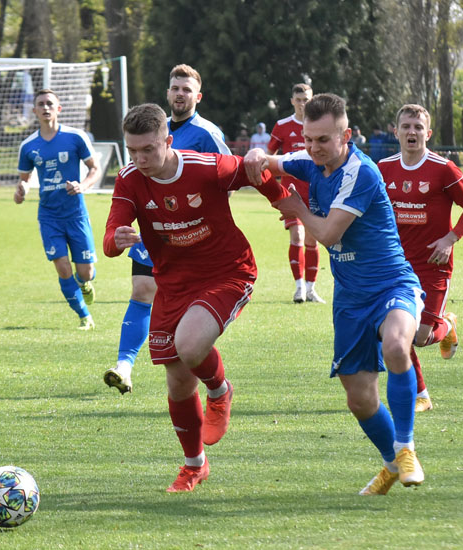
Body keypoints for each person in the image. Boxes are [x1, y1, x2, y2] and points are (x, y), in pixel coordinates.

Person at [245, 93, 426, 496]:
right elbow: (272, 161)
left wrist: (295, 208)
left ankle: (406, 448)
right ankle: (390, 462)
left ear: (346, 135)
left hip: (391, 284)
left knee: (397, 347)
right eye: (308, 139)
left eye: (322, 140)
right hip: (349, 299)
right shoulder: (310, 161)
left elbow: (326, 234)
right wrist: (258, 159)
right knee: (359, 400)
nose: (312, 148)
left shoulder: (361, 172)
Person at [104, 103, 286, 492]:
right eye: (132, 151)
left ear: (167, 141)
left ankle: (220, 391)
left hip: (227, 273)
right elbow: (111, 233)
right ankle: (194, 466)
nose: (139, 159)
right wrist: (116, 239)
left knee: (189, 345)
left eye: (148, 150)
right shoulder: (130, 179)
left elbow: (257, 172)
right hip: (173, 283)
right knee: (178, 383)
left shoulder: (206, 166)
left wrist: (288, 206)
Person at [103, 64, 232, 395]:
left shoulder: (207, 134)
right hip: (154, 230)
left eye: (187, 89)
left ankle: (210, 378)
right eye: (175, 87)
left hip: (193, 237)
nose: (180, 93)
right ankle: (125, 365)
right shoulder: (152, 130)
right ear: (167, 93)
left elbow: (228, 181)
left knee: (183, 316)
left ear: (197, 96)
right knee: (143, 288)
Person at [378, 104, 463, 413]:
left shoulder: (443, 169)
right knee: (399, 330)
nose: (412, 132)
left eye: (418, 127)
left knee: (422, 336)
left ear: (428, 133)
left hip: (433, 264)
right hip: (396, 265)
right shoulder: (383, 168)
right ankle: (421, 394)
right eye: (406, 126)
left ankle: (446, 327)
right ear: (395, 131)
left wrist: (450, 239)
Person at [15, 89, 100, 330]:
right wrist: (22, 189)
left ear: (58, 109)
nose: (45, 108)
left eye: (50, 103)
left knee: (85, 271)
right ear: (34, 111)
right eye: (40, 104)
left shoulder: (75, 137)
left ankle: (84, 284)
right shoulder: (29, 146)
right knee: (63, 267)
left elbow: (95, 168)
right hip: (49, 215)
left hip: (75, 213)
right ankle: (84, 316)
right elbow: (23, 179)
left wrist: (82, 186)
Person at [269, 83, 325, 303]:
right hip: (291, 193)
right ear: (292, 101)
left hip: (316, 193)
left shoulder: (321, 125)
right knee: (298, 237)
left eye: (306, 99)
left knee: (313, 241)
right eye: (299, 99)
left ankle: (311, 289)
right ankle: (299, 287)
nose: (303, 103)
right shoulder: (282, 126)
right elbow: (268, 155)